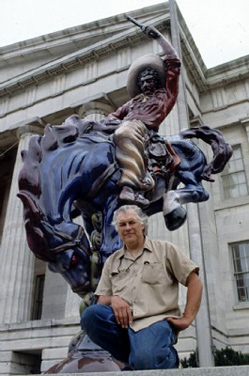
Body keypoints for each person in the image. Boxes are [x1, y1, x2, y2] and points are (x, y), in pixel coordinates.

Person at [81, 205, 203, 370]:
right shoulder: (112, 261)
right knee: (90, 316)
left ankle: (170, 360)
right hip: (123, 324)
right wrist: (114, 299)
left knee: (146, 359)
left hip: (155, 320)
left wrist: (187, 318)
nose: (128, 228)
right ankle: (136, 359)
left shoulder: (164, 249)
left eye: (132, 222)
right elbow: (101, 301)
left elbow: (194, 281)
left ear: (143, 225)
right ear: (118, 229)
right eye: (122, 224)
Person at [104, 22, 181, 207]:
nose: (146, 84)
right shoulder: (133, 102)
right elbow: (113, 116)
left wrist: (157, 37)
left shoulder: (166, 94)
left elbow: (173, 60)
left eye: (149, 80)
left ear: (157, 81)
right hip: (125, 127)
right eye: (142, 82)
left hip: (143, 131)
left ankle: (130, 186)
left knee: (124, 132)